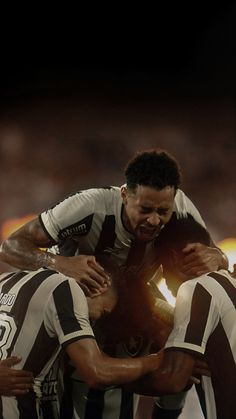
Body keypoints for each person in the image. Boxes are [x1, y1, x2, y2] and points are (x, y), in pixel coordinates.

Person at [0, 149, 228, 419]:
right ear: (124, 195)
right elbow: (10, 247)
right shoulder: (88, 207)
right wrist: (58, 263)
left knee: (185, 359)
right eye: (144, 209)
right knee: (64, 381)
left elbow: (205, 263)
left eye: (162, 212)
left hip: (135, 304)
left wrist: (220, 257)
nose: (154, 220)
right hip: (77, 306)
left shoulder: (182, 209)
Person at [0, 256, 164, 419]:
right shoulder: (66, 289)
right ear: (100, 287)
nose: (93, 321)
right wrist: (156, 360)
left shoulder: (6, 280)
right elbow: (98, 372)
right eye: (103, 312)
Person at [131, 218, 236, 419]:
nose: (162, 278)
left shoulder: (196, 289)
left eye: (160, 267)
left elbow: (172, 380)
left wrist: (112, 378)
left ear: (170, 258)